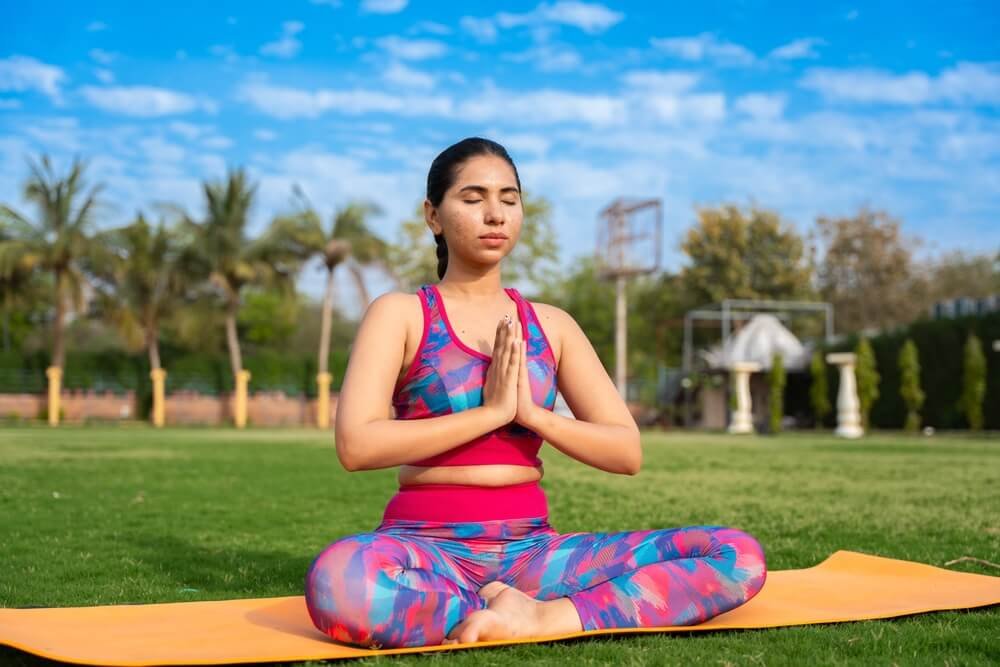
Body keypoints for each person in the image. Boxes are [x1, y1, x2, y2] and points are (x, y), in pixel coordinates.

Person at [304, 137, 767, 649]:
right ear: (433, 215)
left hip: (534, 556)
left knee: (735, 554)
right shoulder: (401, 315)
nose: (495, 214)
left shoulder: (553, 326)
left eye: (509, 198)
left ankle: (544, 618)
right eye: (473, 198)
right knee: (340, 581)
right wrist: (491, 412)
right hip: (424, 549)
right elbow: (357, 445)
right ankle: (494, 609)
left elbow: (626, 451)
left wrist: (532, 415)